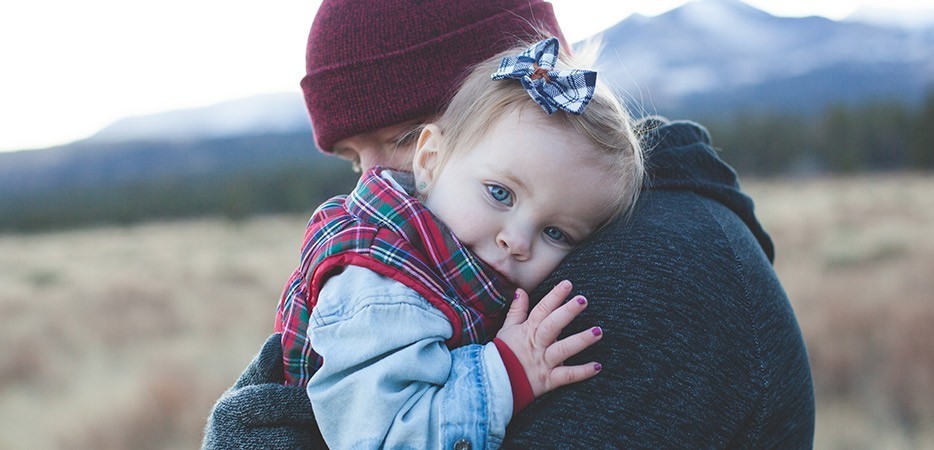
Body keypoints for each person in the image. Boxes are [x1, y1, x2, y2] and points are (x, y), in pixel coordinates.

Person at [203, 0, 816, 448]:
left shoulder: (651, 276)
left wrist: (260, 433)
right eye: (350, 157)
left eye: (404, 137)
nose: (371, 183)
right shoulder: (459, 263)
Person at [275, 37, 644, 448]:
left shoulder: (452, 262)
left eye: (556, 233)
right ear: (430, 160)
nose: (517, 240)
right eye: (499, 193)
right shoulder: (381, 289)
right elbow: (386, 439)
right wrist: (507, 373)